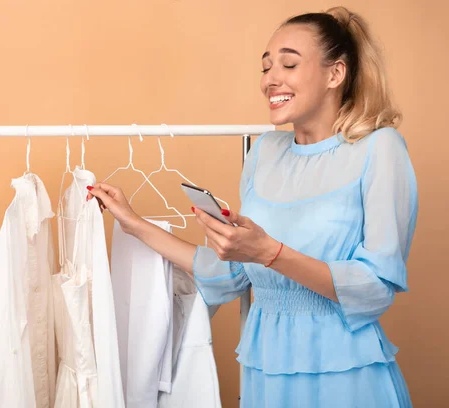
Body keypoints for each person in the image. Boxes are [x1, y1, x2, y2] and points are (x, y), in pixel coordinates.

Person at [87, 6, 417, 408]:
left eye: (289, 64)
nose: (271, 79)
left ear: (336, 74)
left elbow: (375, 288)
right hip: (267, 371)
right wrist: (133, 222)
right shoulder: (266, 152)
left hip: (344, 373)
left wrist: (270, 252)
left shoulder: (379, 149)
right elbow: (231, 273)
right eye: (265, 68)